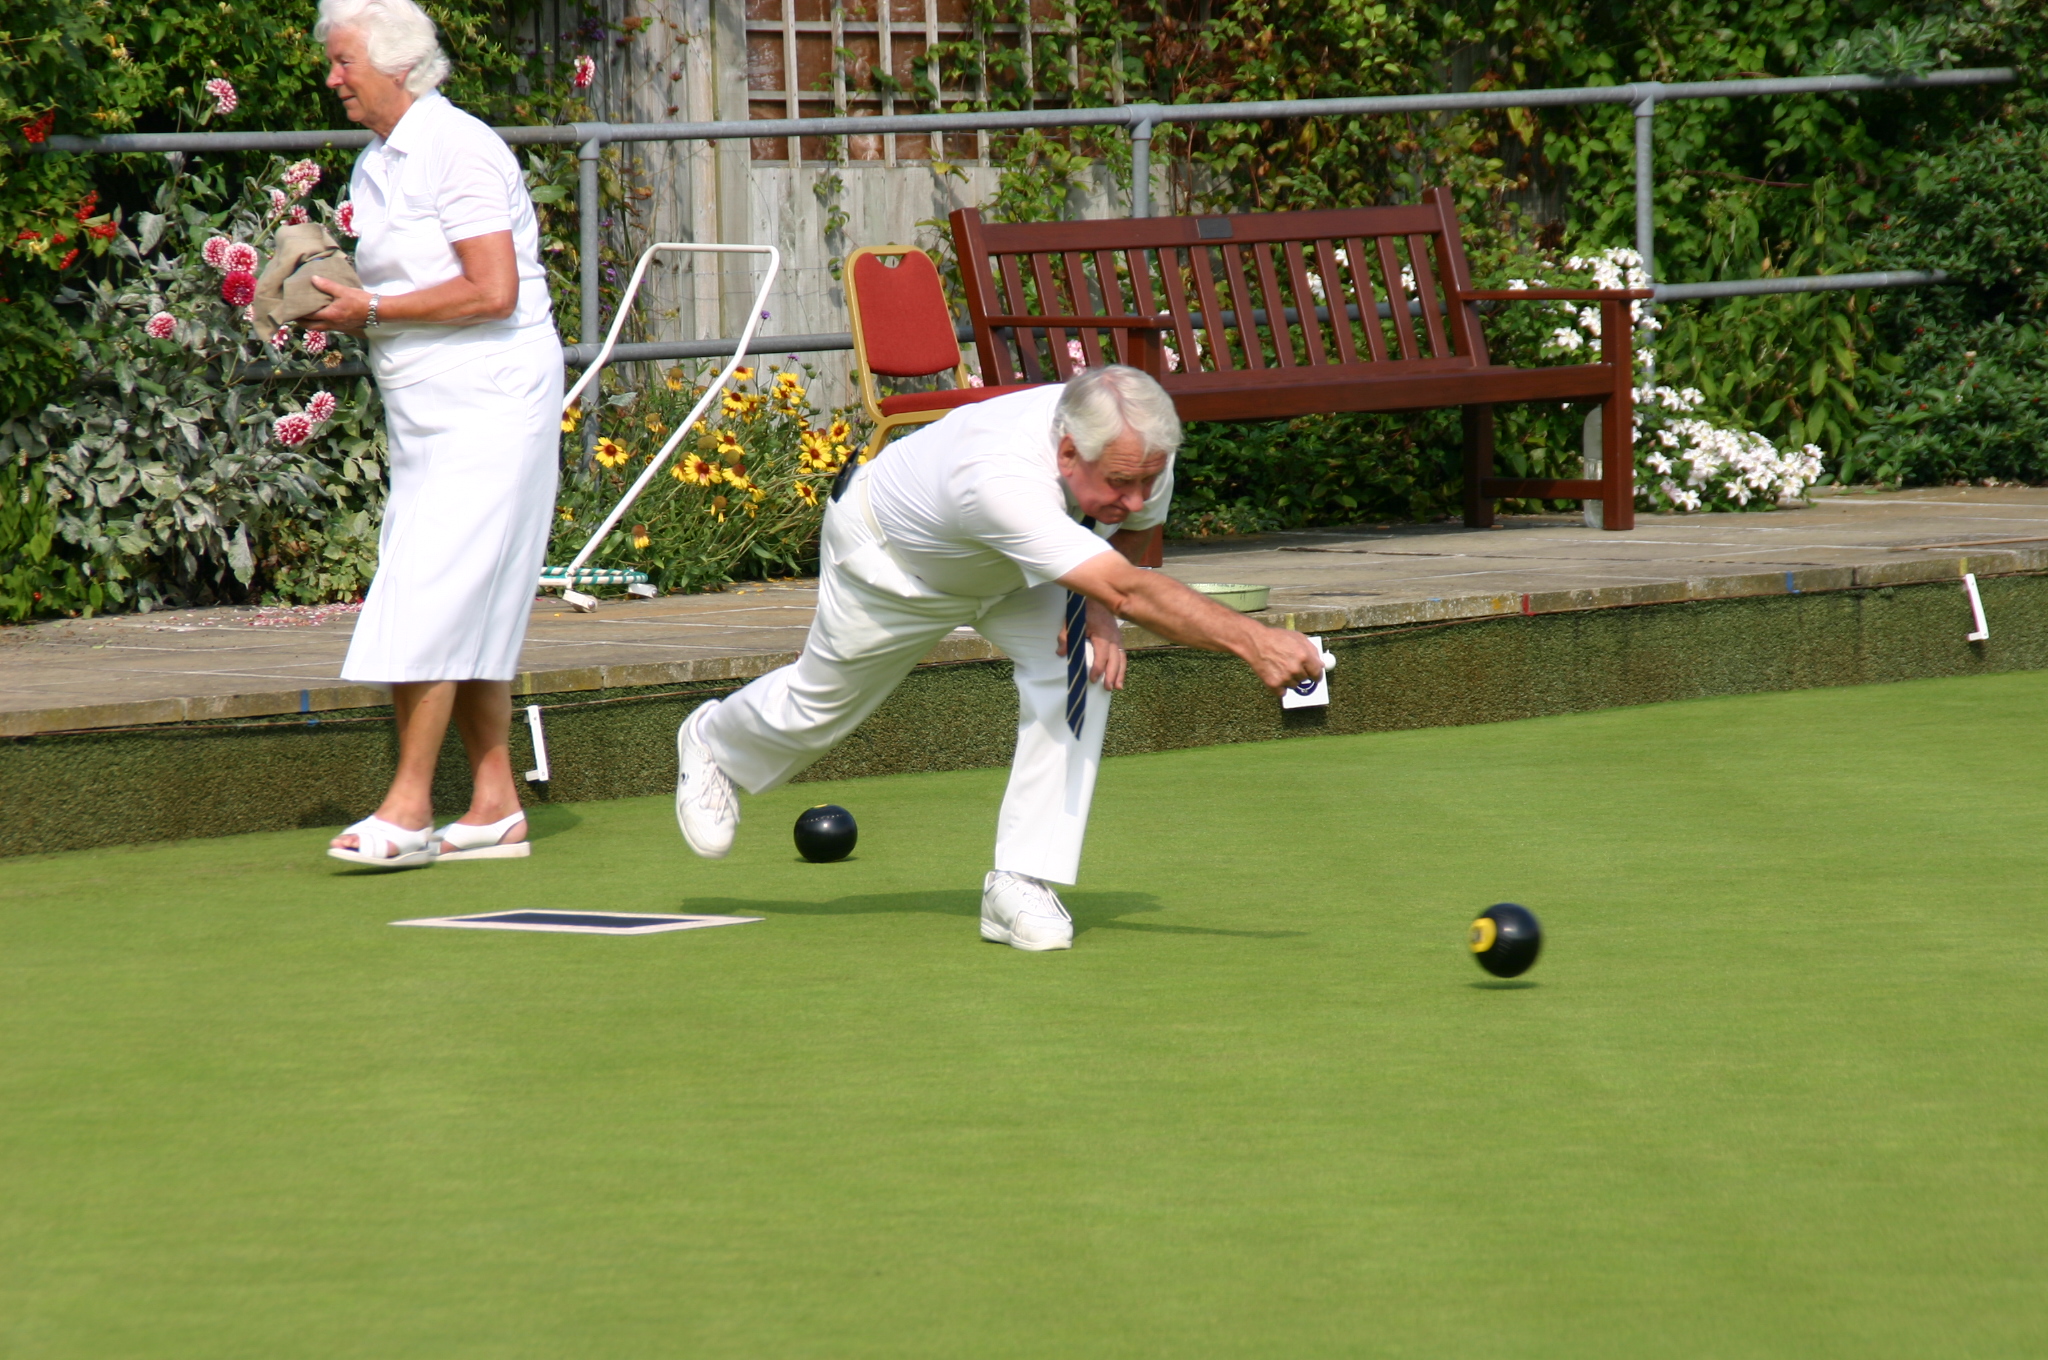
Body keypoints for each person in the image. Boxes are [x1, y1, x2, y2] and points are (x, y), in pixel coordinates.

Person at [675, 366, 1326, 949]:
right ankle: (713, 741)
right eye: (1120, 483)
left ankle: (1021, 882)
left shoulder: (1138, 447)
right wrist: (1253, 640)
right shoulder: (999, 474)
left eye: (1147, 479)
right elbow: (1130, 585)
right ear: (1068, 452)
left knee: (1082, 666)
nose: (1135, 495)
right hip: (897, 564)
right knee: (818, 709)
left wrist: (1099, 609)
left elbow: (1133, 528)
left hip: (1015, 570)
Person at [304, 0, 563, 868]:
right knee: (468, 598)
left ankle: (408, 811)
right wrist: (325, 290)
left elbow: (494, 291)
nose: (331, 77)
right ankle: (494, 806)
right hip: (428, 408)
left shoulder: (459, 149)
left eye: (343, 62)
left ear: (399, 65)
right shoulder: (378, 162)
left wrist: (371, 306)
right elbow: (411, 281)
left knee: (429, 593)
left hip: (492, 403)